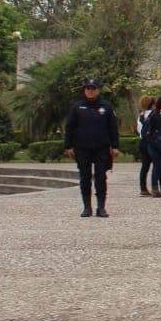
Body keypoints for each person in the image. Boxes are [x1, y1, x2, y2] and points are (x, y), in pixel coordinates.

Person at [63, 78, 120, 218]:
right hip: (82, 148)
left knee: (101, 177)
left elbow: (113, 127)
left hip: (101, 147)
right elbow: (69, 127)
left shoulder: (106, 106)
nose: (90, 91)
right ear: (84, 90)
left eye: (93, 88)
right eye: (88, 88)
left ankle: (101, 207)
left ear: (98, 90)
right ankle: (87, 207)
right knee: (85, 177)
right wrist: (68, 145)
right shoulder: (77, 107)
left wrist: (115, 146)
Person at [136, 95, 156, 196]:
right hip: (152, 141)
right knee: (158, 164)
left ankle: (143, 188)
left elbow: (138, 130)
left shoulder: (140, 116)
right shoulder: (154, 114)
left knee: (145, 166)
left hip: (142, 141)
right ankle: (157, 186)